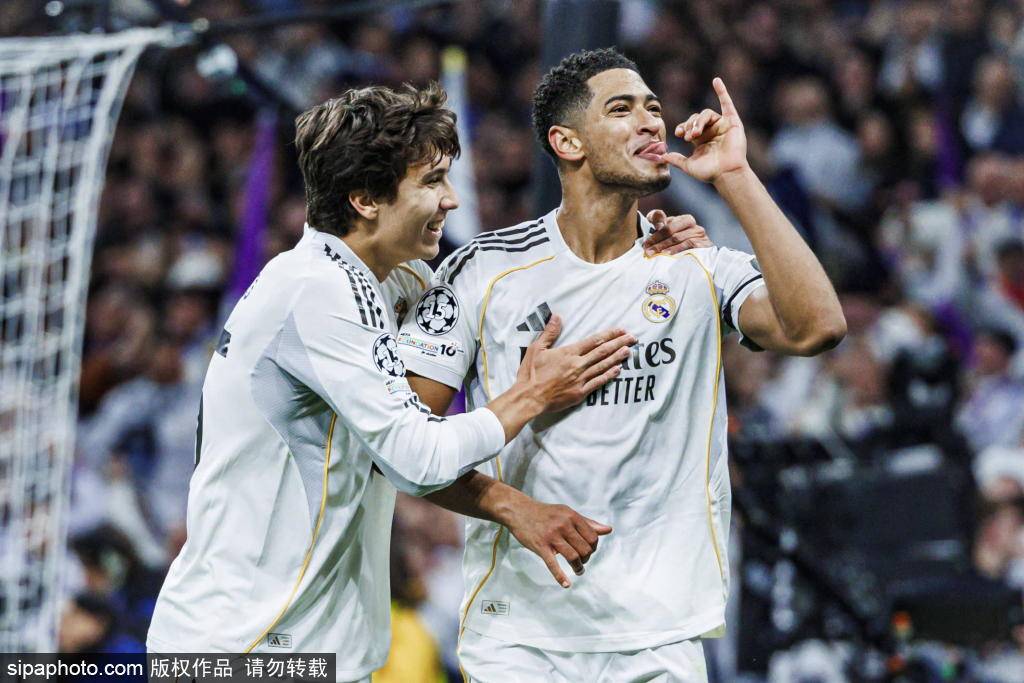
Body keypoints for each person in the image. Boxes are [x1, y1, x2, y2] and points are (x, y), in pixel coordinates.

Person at [145, 82, 640, 683]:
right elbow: (417, 459)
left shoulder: (387, 279)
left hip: (312, 647)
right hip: (241, 646)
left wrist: (644, 248)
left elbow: (501, 285)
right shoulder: (319, 290)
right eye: (431, 181)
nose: (451, 200)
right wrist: (532, 395)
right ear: (365, 199)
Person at [399, 48, 847, 681]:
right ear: (567, 142)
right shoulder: (486, 270)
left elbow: (818, 327)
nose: (650, 121)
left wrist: (736, 176)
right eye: (622, 109)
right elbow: (402, 445)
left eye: (654, 108)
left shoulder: (693, 262)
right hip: (521, 636)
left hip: (658, 635)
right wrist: (514, 507)